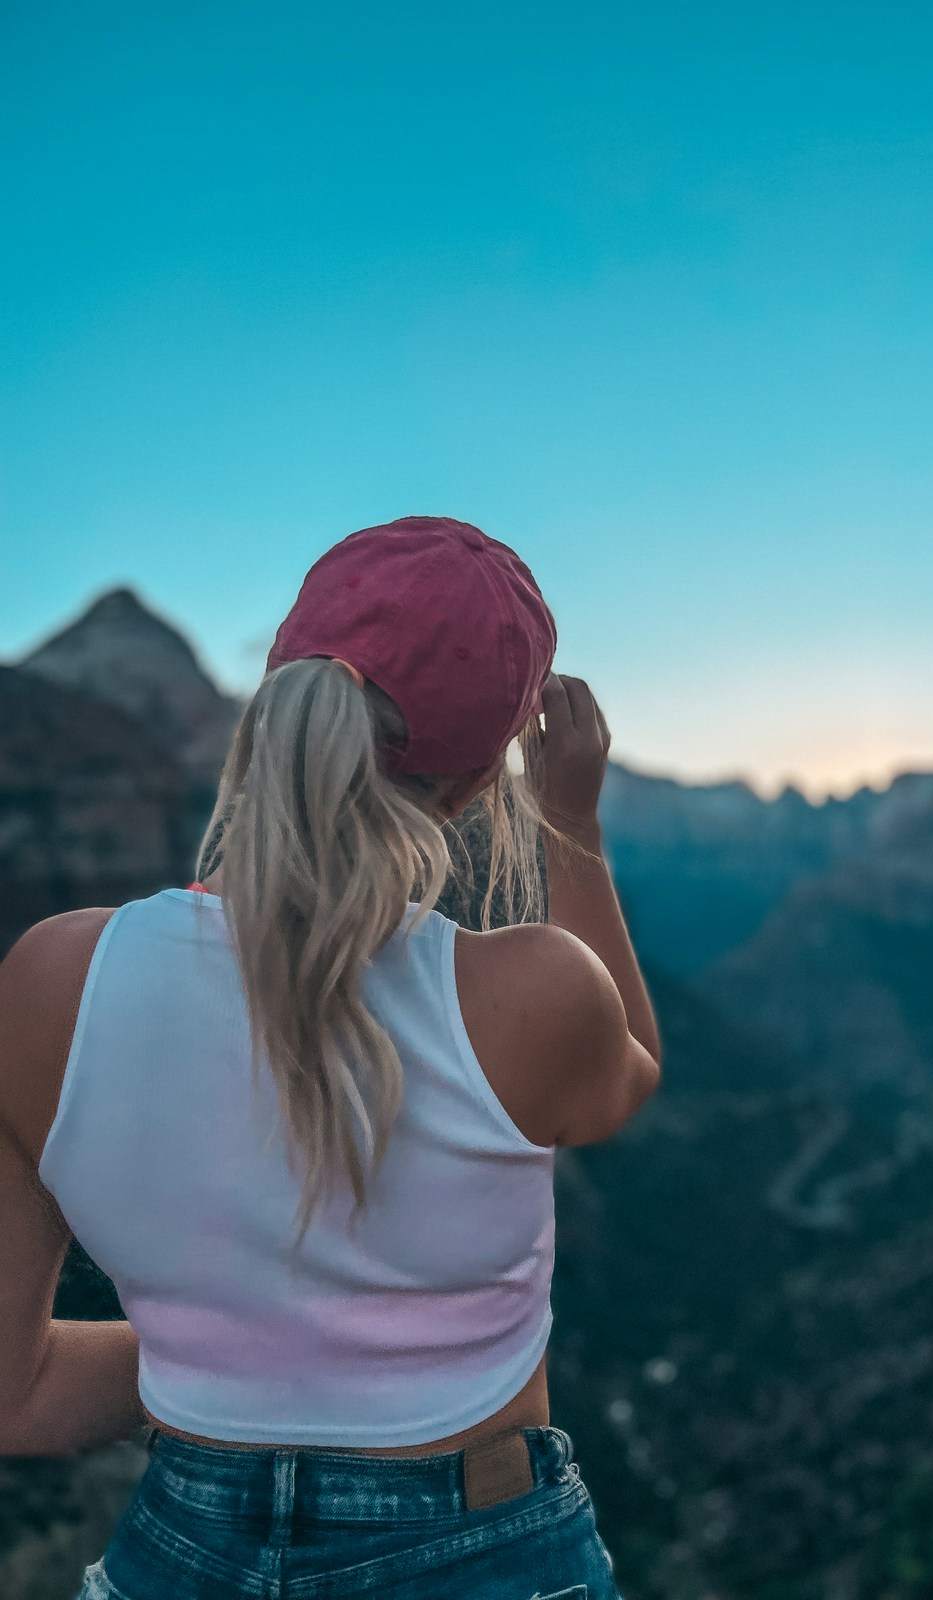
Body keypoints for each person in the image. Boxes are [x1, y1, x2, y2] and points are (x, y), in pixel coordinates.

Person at [0, 516, 663, 1599]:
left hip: (173, 1556)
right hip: (487, 1554)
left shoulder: (47, 983)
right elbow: (626, 1075)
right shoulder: (534, 992)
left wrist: (225, 1348)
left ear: (276, 712)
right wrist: (571, 826)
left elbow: (12, 1392)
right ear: (471, 790)